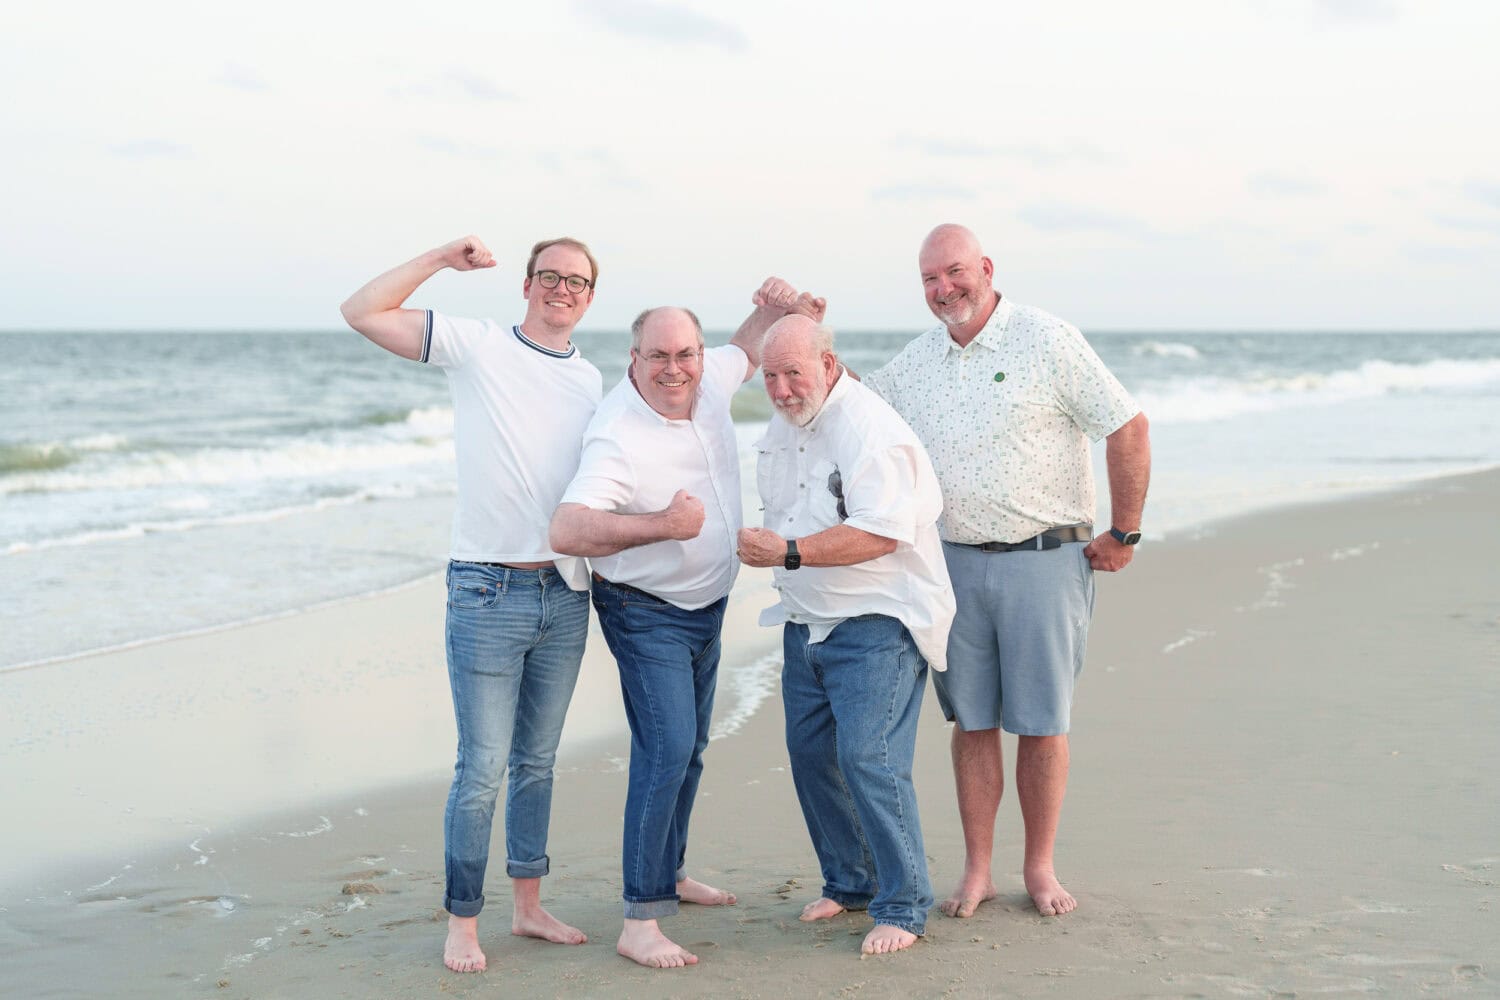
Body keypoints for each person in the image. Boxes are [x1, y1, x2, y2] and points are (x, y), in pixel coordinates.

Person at [862, 223, 1151, 919]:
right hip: (951, 566)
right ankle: (979, 871)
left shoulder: (1046, 339)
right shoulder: (918, 360)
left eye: (954, 272)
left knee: (1042, 722)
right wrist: (799, 336)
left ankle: (1040, 868)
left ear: (986, 268)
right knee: (972, 723)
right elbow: (853, 408)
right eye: (929, 279)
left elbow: (1127, 425)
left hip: (1044, 561)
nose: (943, 289)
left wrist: (1125, 531)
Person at [340, 234, 603, 973]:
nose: (562, 289)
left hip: (568, 590)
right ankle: (463, 920)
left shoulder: (589, 380)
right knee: (482, 765)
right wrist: (437, 260)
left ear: (589, 297)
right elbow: (361, 311)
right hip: (487, 588)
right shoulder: (477, 345)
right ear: (526, 285)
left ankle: (527, 908)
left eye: (576, 281)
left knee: (538, 762)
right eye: (549, 276)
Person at [549, 281, 824, 968]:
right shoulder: (617, 434)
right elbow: (569, 526)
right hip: (644, 613)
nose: (676, 369)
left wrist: (784, 307)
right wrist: (661, 526)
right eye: (659, 357)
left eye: (686, 354)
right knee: (666, 748)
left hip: (708, 605)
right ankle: (640, 920)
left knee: (690, 745)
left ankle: (668, 872)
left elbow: (747, 343)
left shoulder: (710, 380)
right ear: (633, 360)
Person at [736, 313, 955, 956]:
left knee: (870, 760)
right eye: (770, 376)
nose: (779, 389)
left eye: (793, 373)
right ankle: (851, 881)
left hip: (878, 620)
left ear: (830, 366)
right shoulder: (788, 423)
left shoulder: (870, 429)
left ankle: (904, 903)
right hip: (805, 623)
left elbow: (884, 529)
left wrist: (790, 551)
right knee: (812, 759)